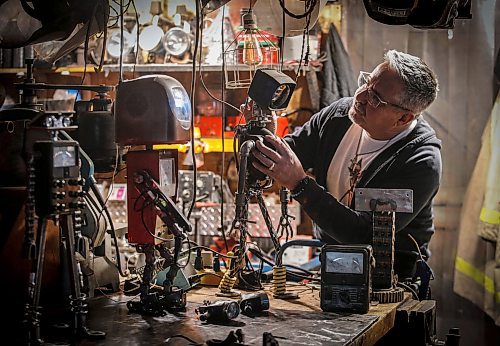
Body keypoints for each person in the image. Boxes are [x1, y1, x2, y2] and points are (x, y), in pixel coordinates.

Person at [252, 49, 441, 280]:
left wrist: (300, 185)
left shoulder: (419, 160)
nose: (360, 97)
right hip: (333, 267)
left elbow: (364, 235)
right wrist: (263, 135)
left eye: (375, 99)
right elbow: (287, 156)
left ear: (403, 118)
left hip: (392, 283)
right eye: (366, 83)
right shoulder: (339, 117)